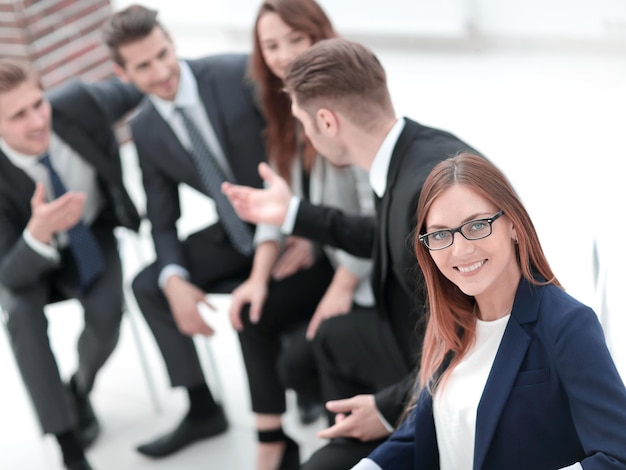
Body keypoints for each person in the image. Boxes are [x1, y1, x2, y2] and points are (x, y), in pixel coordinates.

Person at [222, 37, 482, 469]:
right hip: (414, 340)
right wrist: (292, 213)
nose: (304, 136)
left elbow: (475, 337)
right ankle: (345, 438)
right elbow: (385, 236)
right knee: (327, 338)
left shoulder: (430, 189)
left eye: (303, 124)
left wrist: (386, 406)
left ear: (326, 121)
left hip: (449, 381)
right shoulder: (406, 154)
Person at [352, 152, 626, 469]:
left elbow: (617, 455)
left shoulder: (567, 324)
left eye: (477, 226)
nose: (460, 249)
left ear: (513, 224)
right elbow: (431, 429)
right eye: (441, 234)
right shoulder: (449, 323)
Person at [101, 4, 267, 458]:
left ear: (172, 42)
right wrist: (173, 276)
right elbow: (162, 219)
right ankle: (201, 407)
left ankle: (308, 385)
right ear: (122, 73)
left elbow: (297, 151)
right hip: (238, 231)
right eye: (142, 66)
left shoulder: (236, 73)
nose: (160, 72)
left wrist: (299, 230)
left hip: (289, 218)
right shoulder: (146, 129)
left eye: (162, 54)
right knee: (150, 284)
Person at [230, 2, 377, 469]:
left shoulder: (348, 98)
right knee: (253, 311)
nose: (284, 55)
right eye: (271, 45)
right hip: (325, 250)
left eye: (296, 40)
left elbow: (375, 213)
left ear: (320, 35)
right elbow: (278, 198)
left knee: (306, 353)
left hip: (362, 261)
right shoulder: (283, 105)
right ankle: (273, 440)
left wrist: (343, 285)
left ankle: (343, 446)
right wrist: (259, 273)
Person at [0, 58, 141, 470]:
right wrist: (39, 232)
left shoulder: (78, 103)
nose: (37, 121)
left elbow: (143, 82)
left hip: (91, 232)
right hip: (26, 258)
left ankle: (78, 388)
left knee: (107, 315)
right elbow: (6, 274)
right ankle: (68, 445)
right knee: (21, 315)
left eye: (38, 105)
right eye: (18, 115)